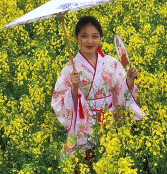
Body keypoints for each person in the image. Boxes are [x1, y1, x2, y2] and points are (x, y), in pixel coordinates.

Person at [51, 16, 144, 156]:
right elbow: (59, 100)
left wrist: (130, 79)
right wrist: (74, 88)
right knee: (86, 165)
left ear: (101, 38)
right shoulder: (70, 68)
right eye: (84, 36)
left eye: (95, 36)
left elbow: (121, 91)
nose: (89, 41)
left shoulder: (111, 63)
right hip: (86, 123)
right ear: (76, 38)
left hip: (111, 120)